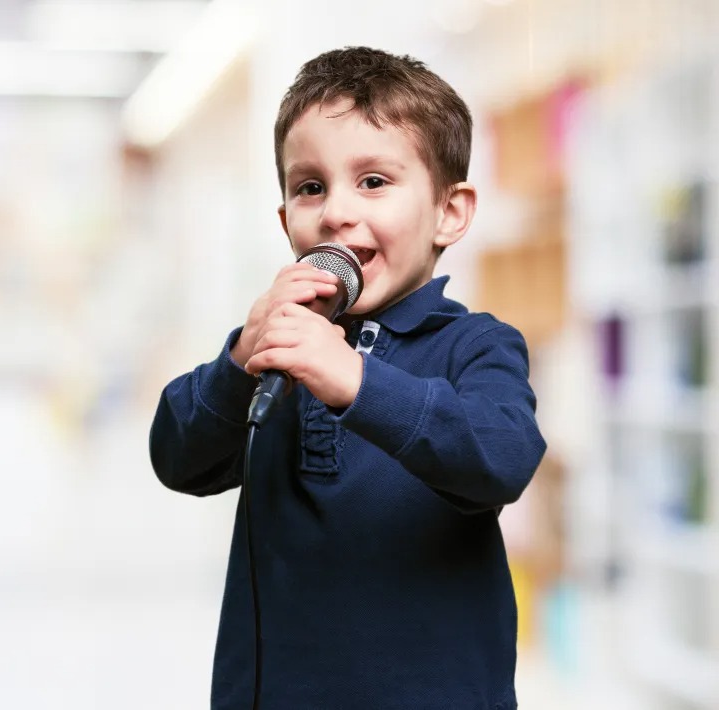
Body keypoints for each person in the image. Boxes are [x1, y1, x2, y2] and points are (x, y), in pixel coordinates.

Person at [149, 46, 547, 710]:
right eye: (310, 187)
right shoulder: (278, 347)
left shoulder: (476, 345)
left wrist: (358, 382)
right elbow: (177, 458)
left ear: (450, 212)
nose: (335, 211)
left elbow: (502, 456)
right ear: (286, 223)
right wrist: (238, 362)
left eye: (374, 182)